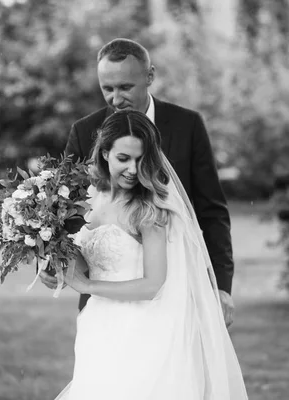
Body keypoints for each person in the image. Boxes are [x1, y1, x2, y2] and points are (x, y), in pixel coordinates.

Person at [51, 110, 248, 400]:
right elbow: (89, 258)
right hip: (98, 325)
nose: (133, 169)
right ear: (105, 153)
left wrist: (88, 286)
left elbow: (153, 285)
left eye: (141, 159)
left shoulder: (149, 209)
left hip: (144, 329)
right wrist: (50, 244)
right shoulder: (90, 199)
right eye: (123, 158)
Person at [42, 37, 236, 326]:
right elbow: (64, 210)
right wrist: (52, 256)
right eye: (107, 88)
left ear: (149, 77)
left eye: (125, 87)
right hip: (106, 298)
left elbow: (211, 210)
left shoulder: (188, 126)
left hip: (180, 289)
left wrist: (220, 285)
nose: (116, 99)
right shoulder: (84, 132)